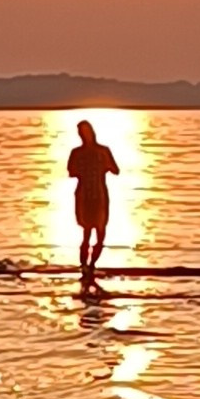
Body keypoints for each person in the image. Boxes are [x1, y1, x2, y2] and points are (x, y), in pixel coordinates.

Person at [66, 117, 118, 289]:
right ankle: (84, 268)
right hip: (84, 195)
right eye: (81, 133)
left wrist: (106, 166)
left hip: (100, 195)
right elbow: (71, 172)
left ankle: (92, 265)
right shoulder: (76, 153)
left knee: (101, 234)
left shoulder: (103, 151)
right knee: (87, 233)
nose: (84, 136)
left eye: (86, 132)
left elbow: (116, 170)